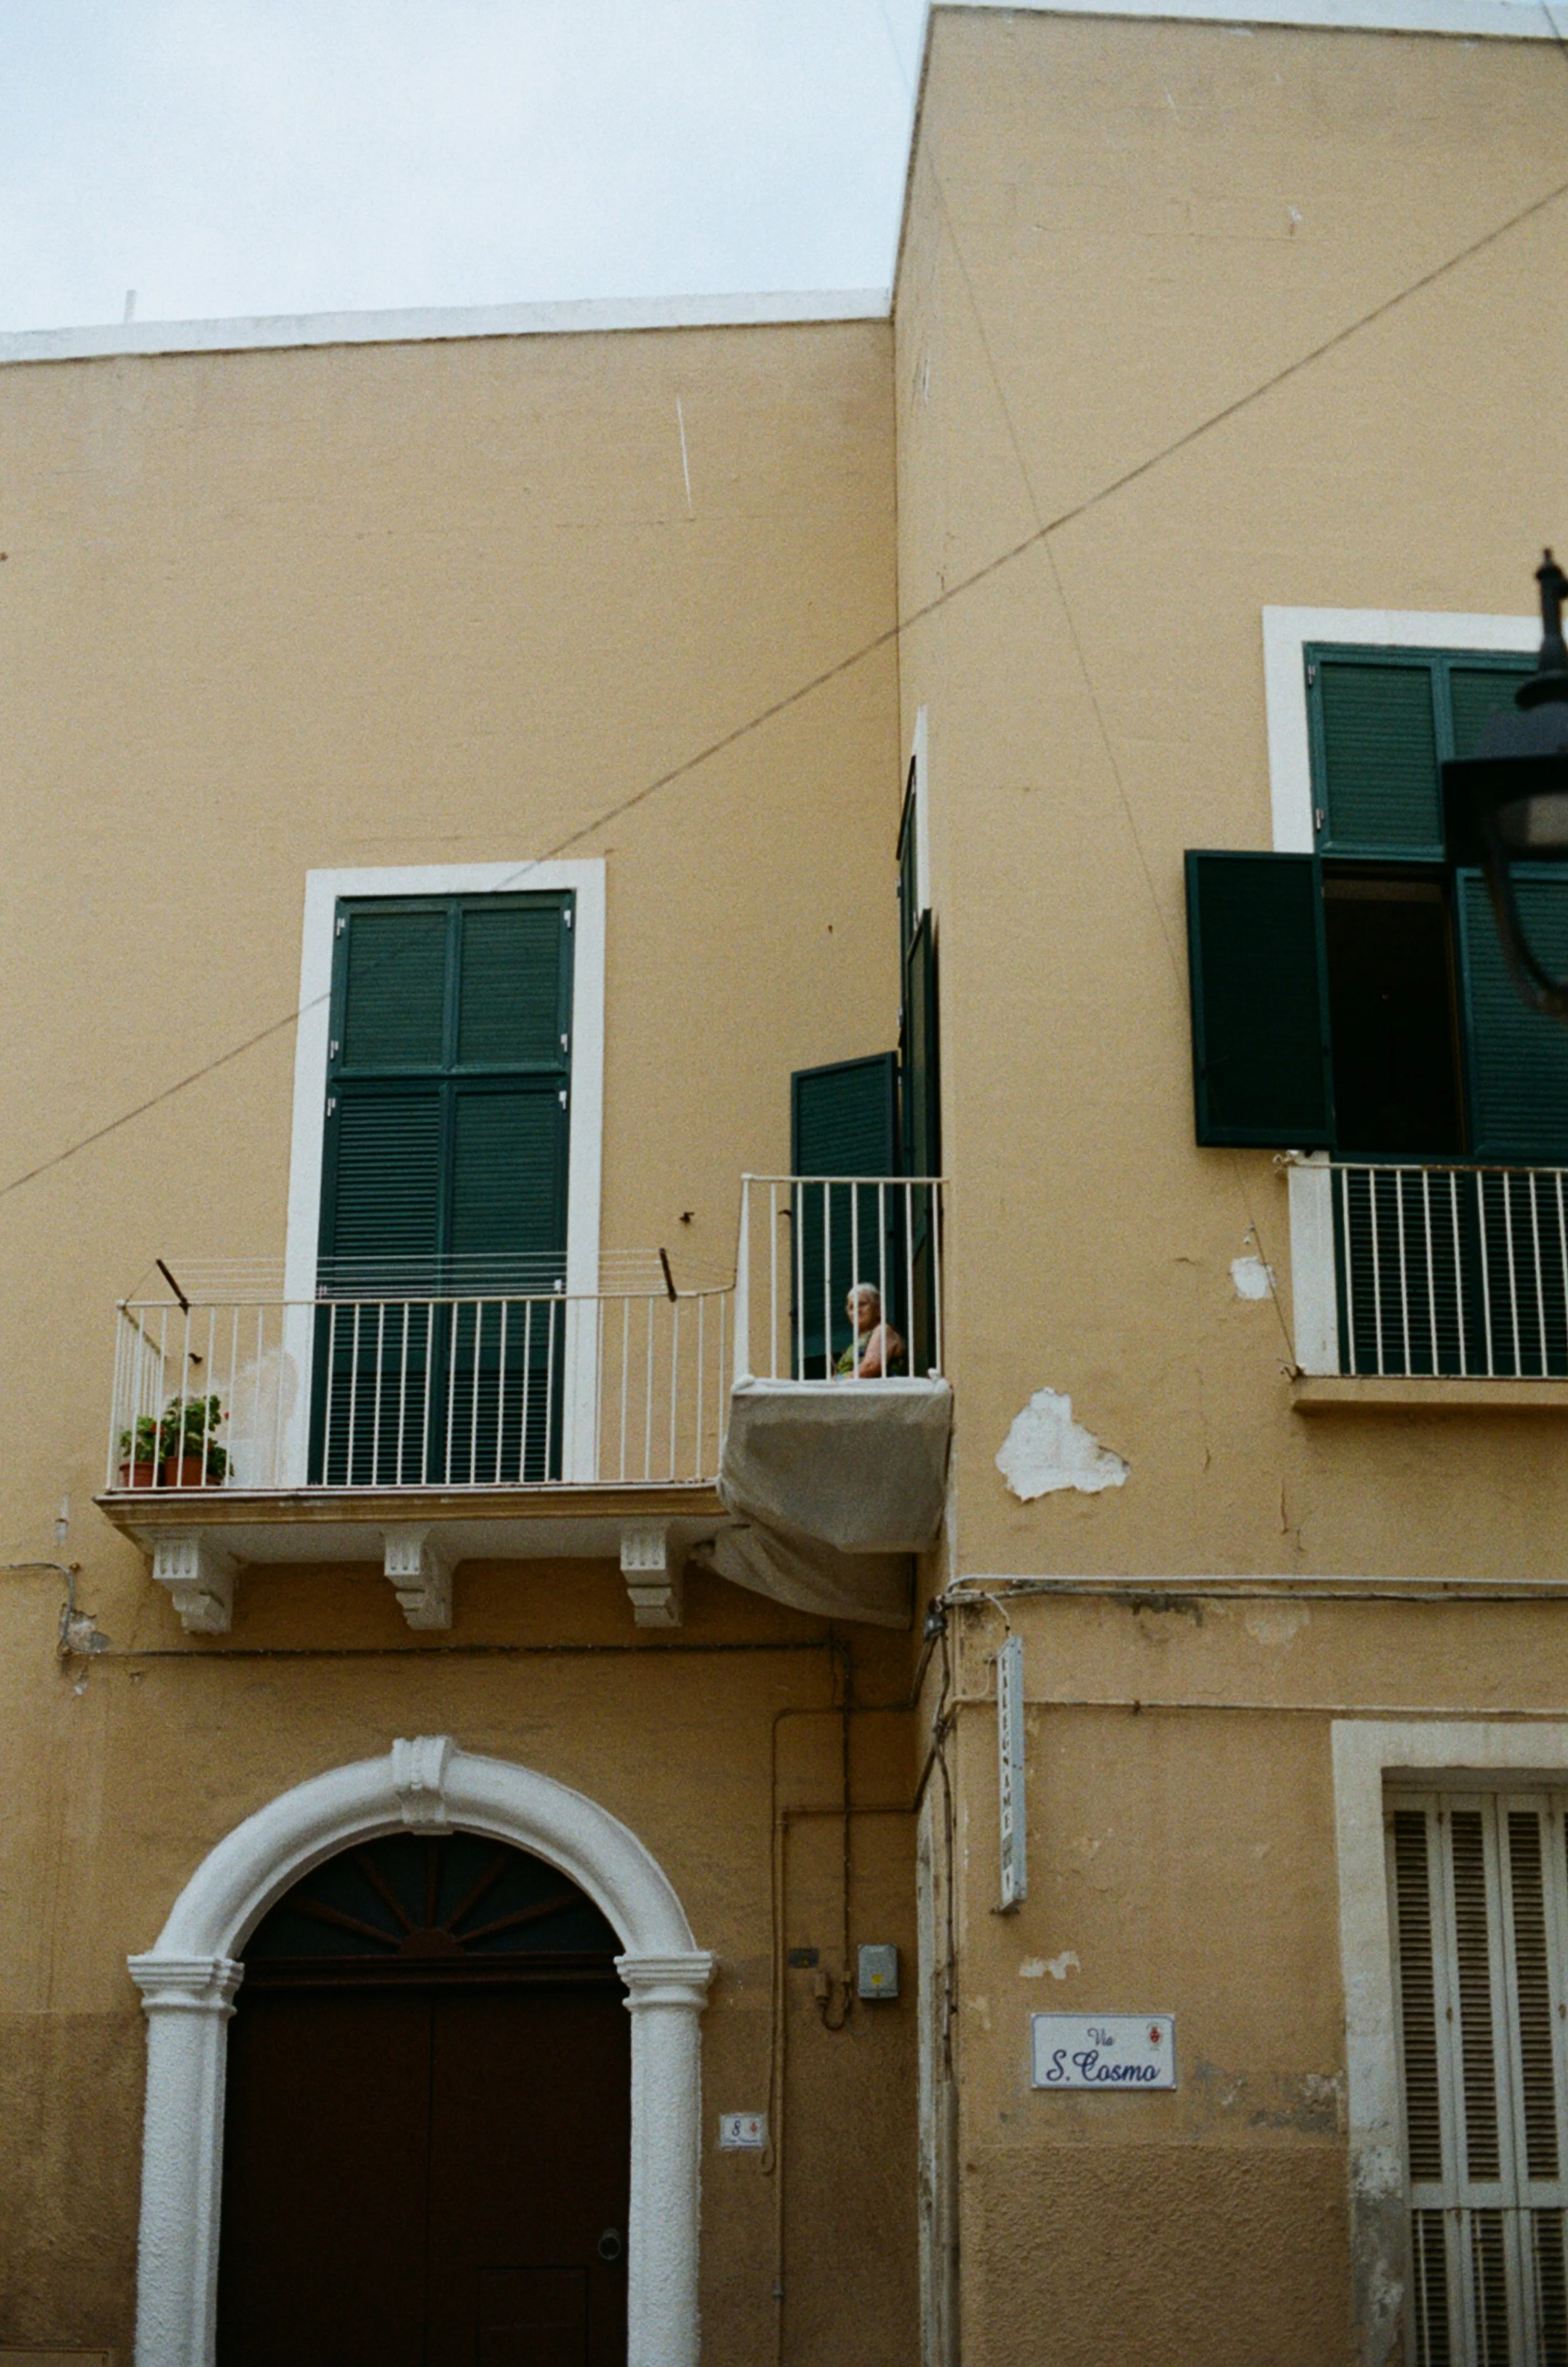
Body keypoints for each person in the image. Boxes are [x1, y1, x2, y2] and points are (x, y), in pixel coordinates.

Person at [834, 1282, 904, 1378]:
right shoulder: (859, 1340)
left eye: (862, 1304)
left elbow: (870, 1366)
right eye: (851, 1307)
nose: (857, 1311)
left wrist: (839, 1383)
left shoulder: (883, 1330)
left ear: (878, 1308)